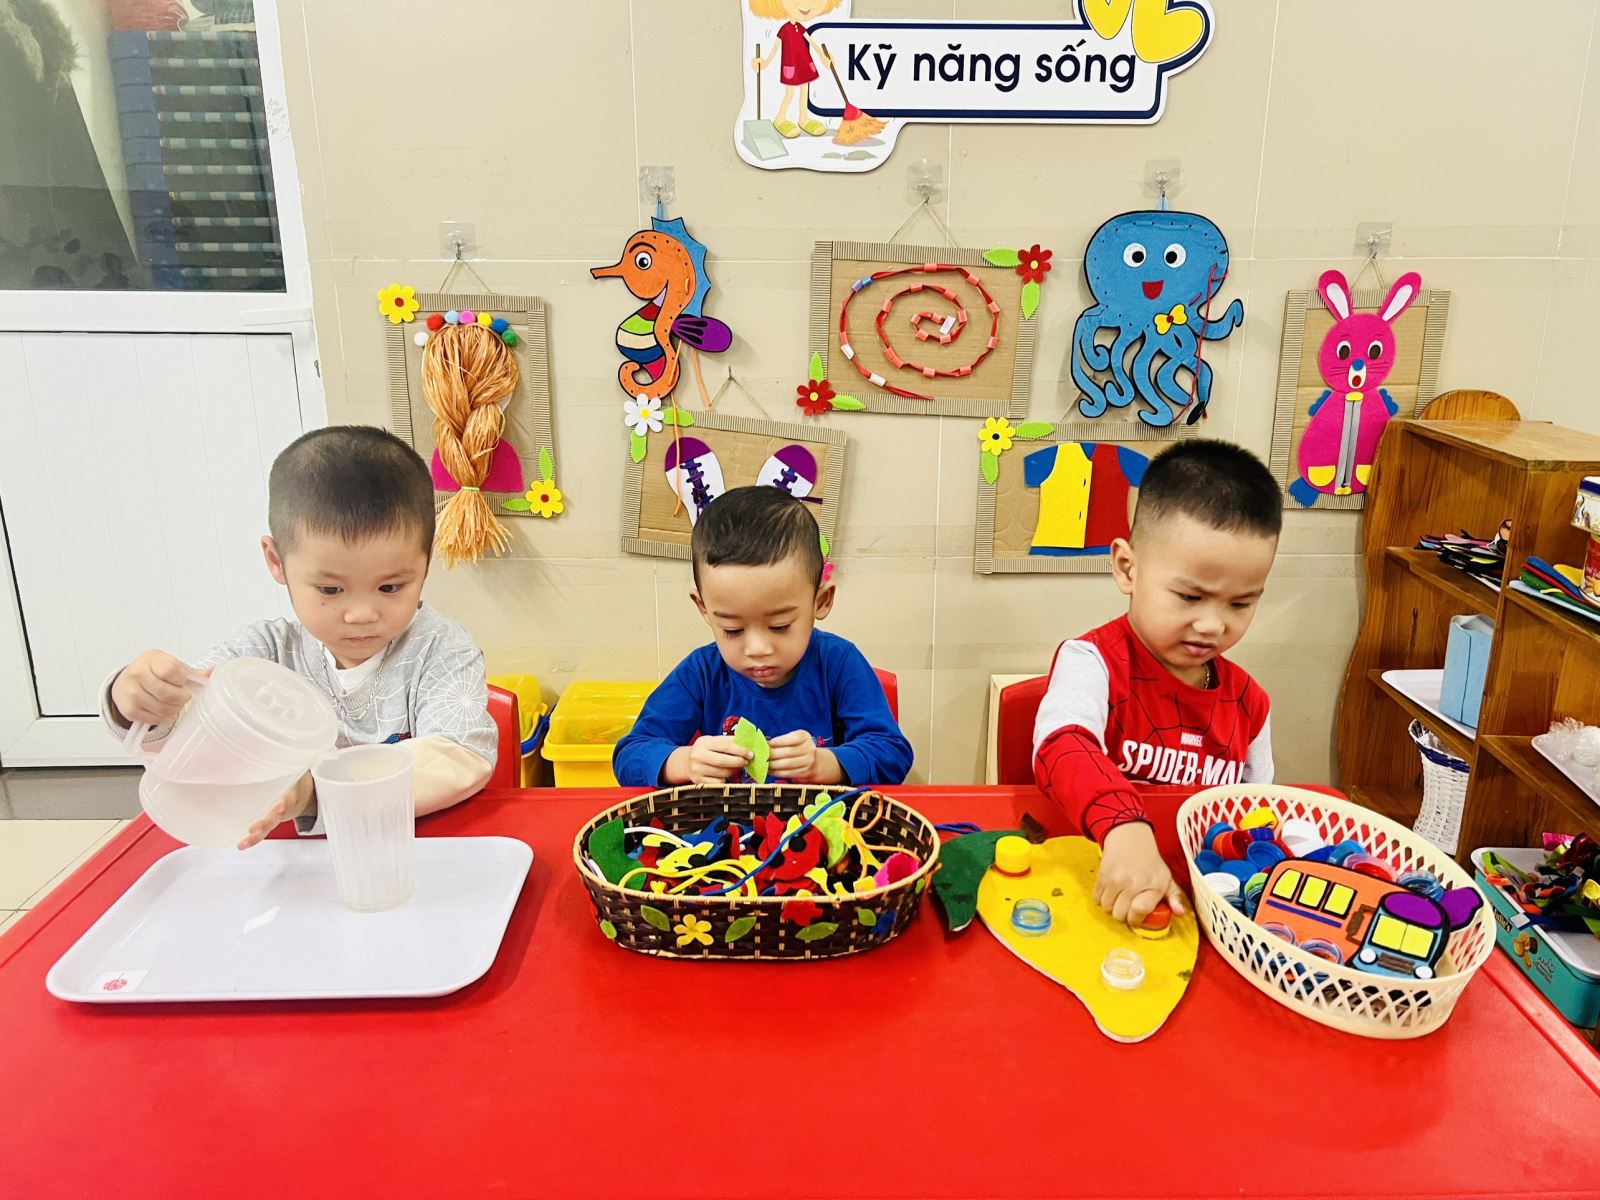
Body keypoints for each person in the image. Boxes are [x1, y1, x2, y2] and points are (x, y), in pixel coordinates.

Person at [104, 426, 496, 848]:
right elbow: (189, 735)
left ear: (425, 562)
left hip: (410, 851)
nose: (361, 615)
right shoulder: (260, 654)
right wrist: (142, 703)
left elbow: (460, 754)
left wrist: (314, 793)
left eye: (390, 587)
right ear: (276, 561)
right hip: (280, 857)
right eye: (330, 589)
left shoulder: (442, 649)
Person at [1033, 439, 1282, 926]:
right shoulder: (1091, 662)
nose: (1212, 625)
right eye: (1190, 596)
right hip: (1090, 894)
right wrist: (1123, 826)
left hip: (1198, 911)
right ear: (1127, 568)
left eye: (1240, 603)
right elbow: (1062, 744)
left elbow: (1255, 818)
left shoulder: (1250, 703)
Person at [614, 486, 912, 788]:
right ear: (704, 608)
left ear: (820, 602)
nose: (757, 649)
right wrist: (683, 762)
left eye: (780, 626)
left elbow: (892, 752)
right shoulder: (701, 673)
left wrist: (827, 764)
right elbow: (630, 754)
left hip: (820, 816)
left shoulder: (838, 663)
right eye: (733, 630)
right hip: (726, 818)